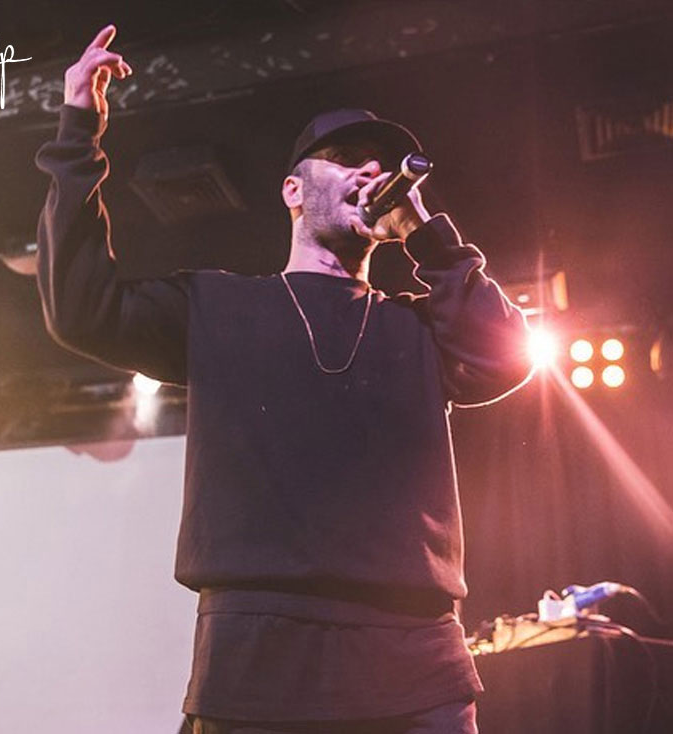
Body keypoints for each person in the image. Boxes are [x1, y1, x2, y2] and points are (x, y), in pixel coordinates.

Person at [36, 25, 532, 734]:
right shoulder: (217, 306)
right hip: (256, 659)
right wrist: (77, 134)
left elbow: (507, 356)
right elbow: (83, 307)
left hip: (414, 659)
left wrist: (425, 234)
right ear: (292, 190)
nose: (370, 171)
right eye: (346, 159)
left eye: (380, 164)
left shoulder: (416, 328)